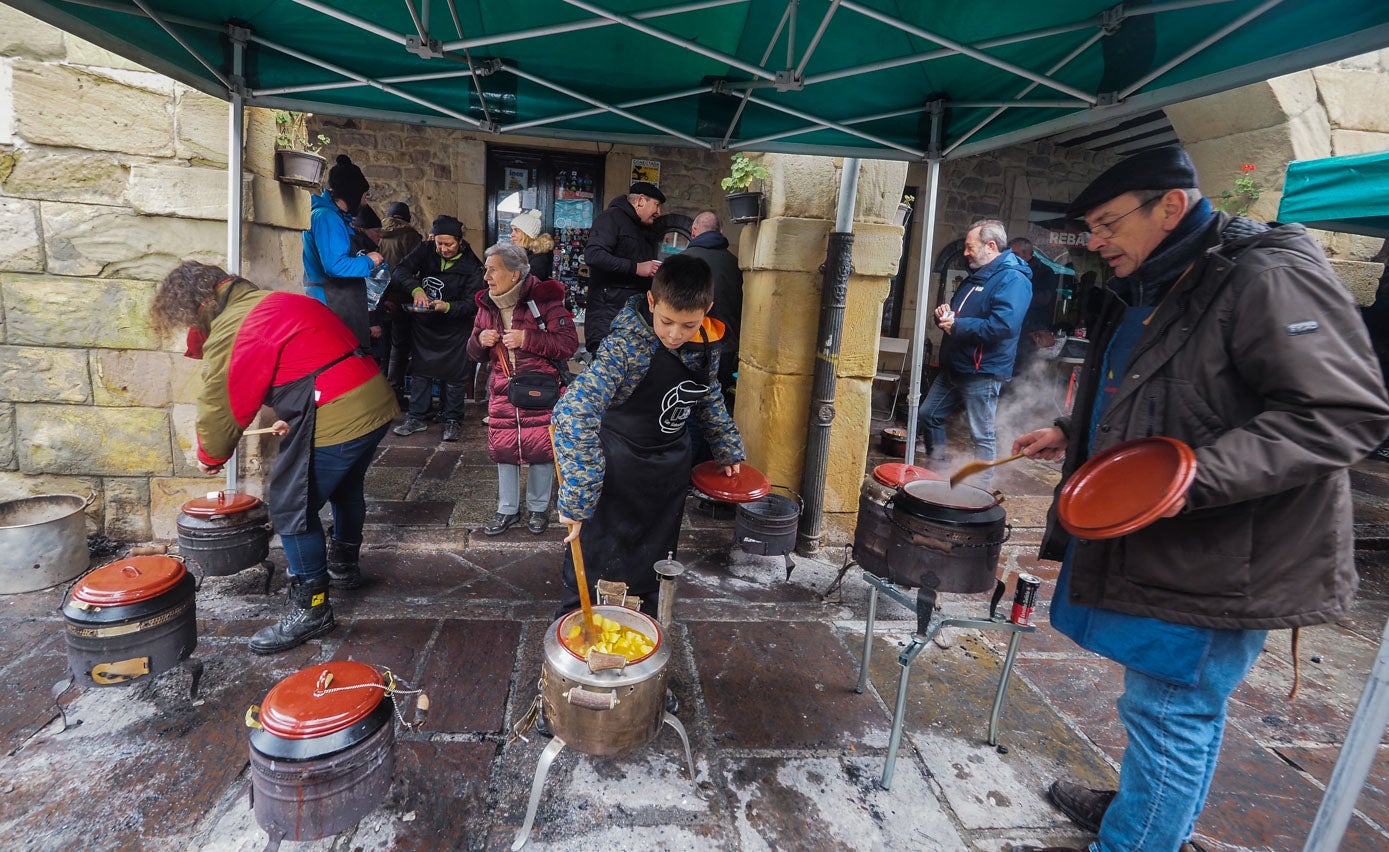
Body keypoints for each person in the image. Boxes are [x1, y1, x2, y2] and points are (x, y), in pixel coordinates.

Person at [1008, 147, 1389, 852]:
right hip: (1167, 543)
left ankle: (1137, 839)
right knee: (1154, 706)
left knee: (1170, 710)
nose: (1094, 241)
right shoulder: (1165, 275)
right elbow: (1175, 386)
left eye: (1106, 223)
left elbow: (1342, 413)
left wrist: (1186, 481)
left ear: (1171, 207)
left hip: (1223, 552)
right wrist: (1073, 429)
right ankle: (1147, 815)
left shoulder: (1267, 275)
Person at [149, 261, 397, 655]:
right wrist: (293, 417)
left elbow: (223, 402)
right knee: (346, 488)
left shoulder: (237, 324)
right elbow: (307, 360)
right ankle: (343, 566)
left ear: (198, 305)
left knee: (290, 507)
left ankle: (312, 609)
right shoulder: (275, 301)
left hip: (338, 410)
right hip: (372, 399)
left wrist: (211, 455)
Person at [552, 253, 745, 615]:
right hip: (615, 472)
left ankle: (644, 622)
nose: (675, 334)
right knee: (597, 562)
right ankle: (580, 636)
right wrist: (579, 497)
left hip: (667, 474)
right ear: (652, 302)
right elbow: (574, 414)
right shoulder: (624, 347)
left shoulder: (707, 342)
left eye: (688, 325)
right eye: (667, 321)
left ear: (707, 309)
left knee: (653, 562)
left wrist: (726, 444)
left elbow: (708, 393)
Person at [467, 243, 578, 536]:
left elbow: (567, 344)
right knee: (504, 449)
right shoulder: (486, 306)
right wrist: (481, 341)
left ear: (515, 274)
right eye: (486, 270)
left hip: (540, 388)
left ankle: (539, 509)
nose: (487, 276)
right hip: (503, 387)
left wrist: (527, 338)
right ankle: (507, 510)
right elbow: (473, 353)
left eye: (493, 269)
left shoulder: (545, 301)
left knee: (541, 449)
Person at [917, 219, 1030, 476]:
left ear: (991, 246)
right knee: (929, 414)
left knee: (981, 433)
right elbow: (960, 315)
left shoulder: (1013, 279)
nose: (965, 252)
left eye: (970, 247)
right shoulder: (978, 275)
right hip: (956, 366)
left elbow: (1003, 326)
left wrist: (956, 325)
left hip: (981, 370)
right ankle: (939, 472)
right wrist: (944, 315)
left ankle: (983, 490)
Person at [391, 214, 484, 442]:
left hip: (454, 328)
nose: (443, 249)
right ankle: (416, 416)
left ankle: (452, 419)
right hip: (425, 326)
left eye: (449, 244)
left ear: (460, 241)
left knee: (454, 376)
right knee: (421, 371)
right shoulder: (425, 250)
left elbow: (472, 303)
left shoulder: (472, 266)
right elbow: (400, 271)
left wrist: (447, 306)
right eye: (439, 243)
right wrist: (416, 290)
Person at [303, 154, 383, 349]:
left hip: (343, 302)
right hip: (330, 303)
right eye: (364, 196)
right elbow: (335, 266)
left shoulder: (338, 218)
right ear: (353, 194)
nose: (364, 203)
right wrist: (369, 261)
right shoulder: (326, 217)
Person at [582, 181, 665, 354]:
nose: (659, 212)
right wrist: (636, 268)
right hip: (607, 318)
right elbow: (593, 255)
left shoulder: (642, 228)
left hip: (631, 316)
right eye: (656, 205)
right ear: (640, 201)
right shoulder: (610, 218)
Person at [681, 210, 743, 409]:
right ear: (721, 232)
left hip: (689, 346)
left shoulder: (682, 261)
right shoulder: (737, 265)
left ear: (693, 231)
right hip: (726, 349)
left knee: (686, 404)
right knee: (716, 405)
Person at [378, 202, 425, 399]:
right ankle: (394, 393)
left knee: (382, 346)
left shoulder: (377, 233)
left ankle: (378, 393)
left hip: (378, 299)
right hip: (401, 298)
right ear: (406, 218)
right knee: (400, 346)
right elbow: (415, 271)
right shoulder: (411, 236)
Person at [1008, 236, 1059, 379]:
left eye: (1016, 254)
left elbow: (1044, 298)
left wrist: (1013, 300)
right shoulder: (1008, 271)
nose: (1011, 258)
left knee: (1025, 372)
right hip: (1009, 330)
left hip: (1031, 331)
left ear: (1028, 254)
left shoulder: (1045, 272)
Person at [508, 208, 556, 281]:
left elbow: (525, 286)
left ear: (527, 234)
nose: (512, 234)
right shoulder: (516, 254)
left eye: (516, 231)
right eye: (512, 230)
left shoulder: (538, 259)